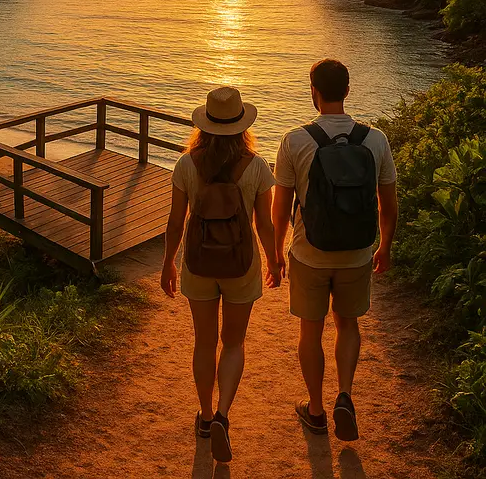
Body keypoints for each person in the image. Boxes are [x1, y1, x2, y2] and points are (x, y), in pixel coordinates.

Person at [272, 59, 398, 441]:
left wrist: (275, 254)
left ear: (314, 91)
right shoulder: (375, 139)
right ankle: (344, 394)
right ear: (347, 90)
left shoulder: (295, 140)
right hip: (357, 253)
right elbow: (388, 205)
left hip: (308, 253)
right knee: (348, 324)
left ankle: (315, 409)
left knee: (310, 332)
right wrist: (384, 247)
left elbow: (281, 206)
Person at [160, 86, 281, 463]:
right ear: (243, 126)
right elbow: (265, 224)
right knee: (233, 343)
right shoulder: (257, 166)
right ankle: (223, 416)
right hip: (241, 264)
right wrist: (274, 260)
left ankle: (205, 415)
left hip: (198, 264)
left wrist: (168, 263)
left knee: (204, 342)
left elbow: (175, 223)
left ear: (204, 125)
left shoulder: (186, 164)